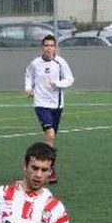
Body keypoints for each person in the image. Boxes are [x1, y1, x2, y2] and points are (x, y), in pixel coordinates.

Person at [24, 35, 73, 183]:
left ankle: (46, 167)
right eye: (46, 45)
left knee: (51, 139)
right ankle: (49, 171)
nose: (49, 48)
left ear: (55, 47)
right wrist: (28, 88)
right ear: (42, 47)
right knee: (50, 135)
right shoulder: (35, 63)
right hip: (41, 103)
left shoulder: (60, 62)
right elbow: (28, 76)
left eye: (51, 45)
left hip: (56, 105)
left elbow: (70, 79)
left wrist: (57, 83)